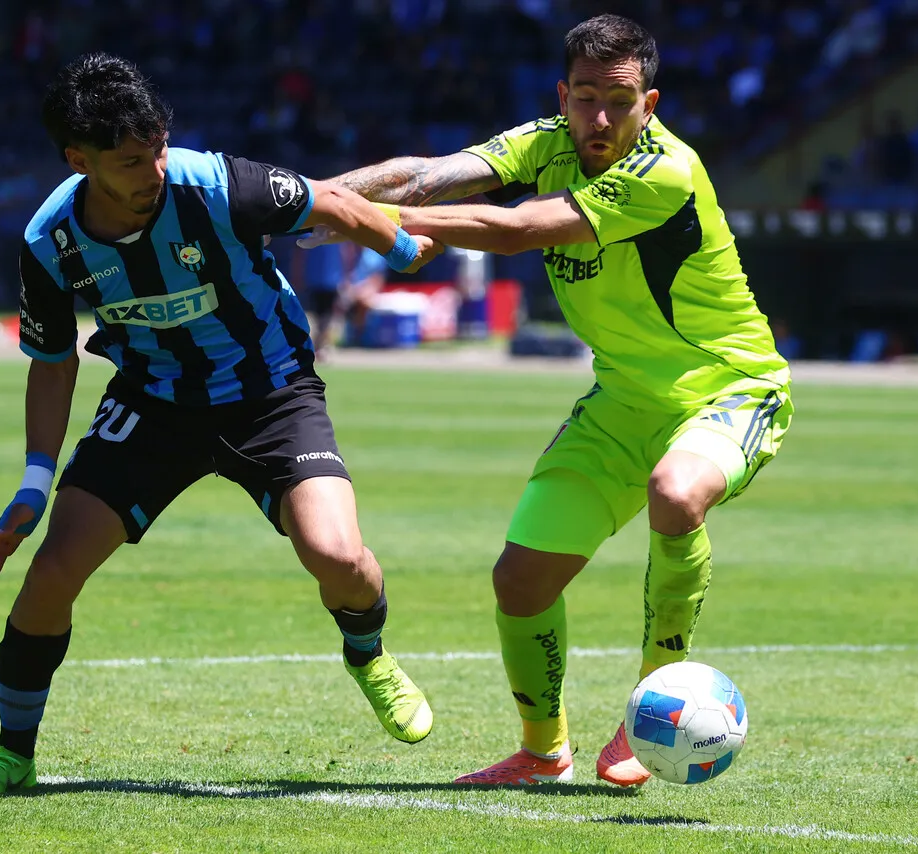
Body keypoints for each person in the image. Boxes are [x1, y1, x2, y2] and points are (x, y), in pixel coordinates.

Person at [307, 14, 792, 787]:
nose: (600, 118)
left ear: (651, 103)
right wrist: (310, 197)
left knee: (675, 494)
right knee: (520, 582)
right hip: (621, 402)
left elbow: (521, 229)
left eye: (620, 100)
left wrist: (367, 221)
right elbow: (426, 175)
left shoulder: (666, 172)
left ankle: (650, 700)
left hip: (730, 388)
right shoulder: (547, 141)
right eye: (586, 98)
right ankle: (543, 752)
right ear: (563, 96)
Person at [0, 53, 441, 796]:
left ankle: (366, 653)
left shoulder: (215, 183)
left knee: (338, 558)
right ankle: (14, 752)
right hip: (154, 401)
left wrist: (399, 248)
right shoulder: (51, 244)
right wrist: (34, 482)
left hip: (271, 391)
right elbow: (52, 362)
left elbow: (329, 201)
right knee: (51, 573)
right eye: (129, 162)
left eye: (157, 149)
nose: (152, 171)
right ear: (79, 161)